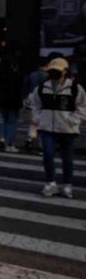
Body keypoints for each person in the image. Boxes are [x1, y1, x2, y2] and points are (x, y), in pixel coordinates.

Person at [30, 57, 86, 198]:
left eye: (57, 71)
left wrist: (73, 120)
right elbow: (35, 104)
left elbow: (82, 107)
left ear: (65, 71)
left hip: (67, 130)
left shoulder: (75, 88)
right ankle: (50, 183)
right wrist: (38, 118)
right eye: (52, 71)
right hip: (47, 128)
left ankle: (67, 185)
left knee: (67, 158)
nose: (54, 74)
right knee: (48, 155)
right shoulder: (43, 87)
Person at [0, 56, 24, 152]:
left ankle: (3, 138)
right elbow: (18, 90)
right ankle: (10, 144)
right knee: (12, 123)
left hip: (2, 102)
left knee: (5, 121)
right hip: (13, 102)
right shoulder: (15, 75)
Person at [22, 56, 51, 152]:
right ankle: (41, 145)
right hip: (43, 99)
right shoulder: (47, 76)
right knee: (43, 123)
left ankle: (29, 139)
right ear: (47, 65)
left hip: (31, 98)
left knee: (33, 121)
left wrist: (25, 98)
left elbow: (26, 87)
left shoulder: (32, 75)